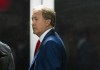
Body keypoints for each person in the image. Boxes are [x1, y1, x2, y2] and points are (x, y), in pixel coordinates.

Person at [29, 5, 68, 70]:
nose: (32, 23)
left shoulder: (50, 43)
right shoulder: (49, 40)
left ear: (47, 22)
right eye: (32, 19)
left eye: (36, 19)